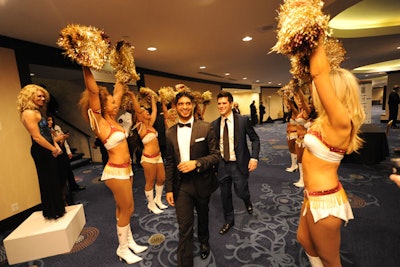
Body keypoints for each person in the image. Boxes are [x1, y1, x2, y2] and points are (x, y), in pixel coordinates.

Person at [296, 40, 365, 267]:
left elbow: (319, 73)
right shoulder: (325, 120)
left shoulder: (340, 122)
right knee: (304, 240)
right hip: (312, 195)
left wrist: (313, 36)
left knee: (331, 260)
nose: (317, 92)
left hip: (325, 201)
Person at [78, 66, 147, 264]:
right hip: (115, 173)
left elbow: (118, 88)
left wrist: (122, 66)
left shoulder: (113, 120)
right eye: (110, 103)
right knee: (128, 209)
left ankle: (130, 241)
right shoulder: (99, 121)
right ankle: (122, 248)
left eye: (115, 103)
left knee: (123, 209)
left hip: (127, 169)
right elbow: (92, 90)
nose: (115, 105)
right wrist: (86, 63)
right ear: (100, 105)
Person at [164, 91, 220, 267]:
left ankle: (204, 240)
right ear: (175, 106)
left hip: (202, 181)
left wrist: (196, 163)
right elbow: (170, 163)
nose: (185, 107)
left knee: (203, 216)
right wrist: (169, 189)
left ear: (193, 105)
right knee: (184, 227)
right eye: (181, 104)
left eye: (188, 103)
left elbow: (216, 156)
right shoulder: (169, 133)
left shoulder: (205, 127)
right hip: (182, 186)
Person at [211, 91, 260, 235]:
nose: (221, 106)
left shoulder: (243, 120)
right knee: (224, 195)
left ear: (231, 104)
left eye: (224, 103)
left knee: (241, 191)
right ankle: (229, 221)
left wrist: (254, 158)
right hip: (222, 166)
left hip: (239, 165)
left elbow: (255, 139)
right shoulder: (214, 124)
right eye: (219, 103)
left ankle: (247, 200)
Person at [17, 84, 65, 220]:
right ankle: (52, 211)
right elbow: (37, 136)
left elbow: (48, 133)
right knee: (48, 181)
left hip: (48, 147)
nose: (43, 98)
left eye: (44, 96)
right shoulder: (28, 113)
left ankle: (58, 209)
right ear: (29, 96)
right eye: (39, 96)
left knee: (55, 179)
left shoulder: (38, 111)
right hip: (41, 150)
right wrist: (53, 148)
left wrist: (56, 145)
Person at [134, 94, 168, 214]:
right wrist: (133, 97)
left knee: (162, 178)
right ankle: (151, 204)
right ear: (139, 115)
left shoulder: (150, 124)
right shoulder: (140, 126)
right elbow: (138, 110)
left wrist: (153, 97)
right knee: (150, 182)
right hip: (148, 159)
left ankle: (157, 199)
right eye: (144, 111)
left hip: (158, 156)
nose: (147, 112)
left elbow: (154, 110)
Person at [47, 115, 86, 193]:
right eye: (48, 120)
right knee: (61, 173)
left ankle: (73, 186)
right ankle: (64, 193)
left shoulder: (57, 127)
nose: (51, 122)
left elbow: (63, 142)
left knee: (69, 170)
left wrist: (68, 151)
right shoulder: (46, 131)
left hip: (62, 150)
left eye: (51, 120)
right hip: (55, 153)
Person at [284, 97, 299, 172]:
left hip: (295, 133)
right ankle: (293, 165)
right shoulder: (289, 113)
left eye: (289, 105)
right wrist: (284, 97)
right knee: (291, 150)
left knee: (295, 150)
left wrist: (290, 99)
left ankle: (296, 165)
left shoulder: (296, 113)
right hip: (289, 134)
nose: (287, 106)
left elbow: (292, 106)